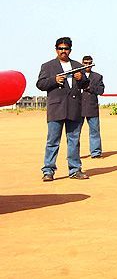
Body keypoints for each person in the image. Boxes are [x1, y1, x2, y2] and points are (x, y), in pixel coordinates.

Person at [36, 37, 90, 181]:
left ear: (70, 50)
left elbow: (86, 84)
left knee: (74, 140)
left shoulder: (78, 66)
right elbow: (40, 84)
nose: (63, 51)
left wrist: (81, 78)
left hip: (74, 109)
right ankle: (48, 171)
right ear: (56, 50)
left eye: (66, 49)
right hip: (56, 109)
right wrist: (54, 80)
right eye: (60, 48)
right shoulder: (48, 66)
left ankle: (75, 170)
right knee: (52, 141)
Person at [80, 55, 105, 158]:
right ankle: (73, 154)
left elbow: (101, 91)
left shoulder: (97, 77)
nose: (87, 65)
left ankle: (96, 152)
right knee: (74, 133)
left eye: (89, 63)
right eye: (85, 63)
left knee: (94, 131)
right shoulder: (76, 75)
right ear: (82, 63)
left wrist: (90, 88)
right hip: (77, 108)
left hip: (92, 107)